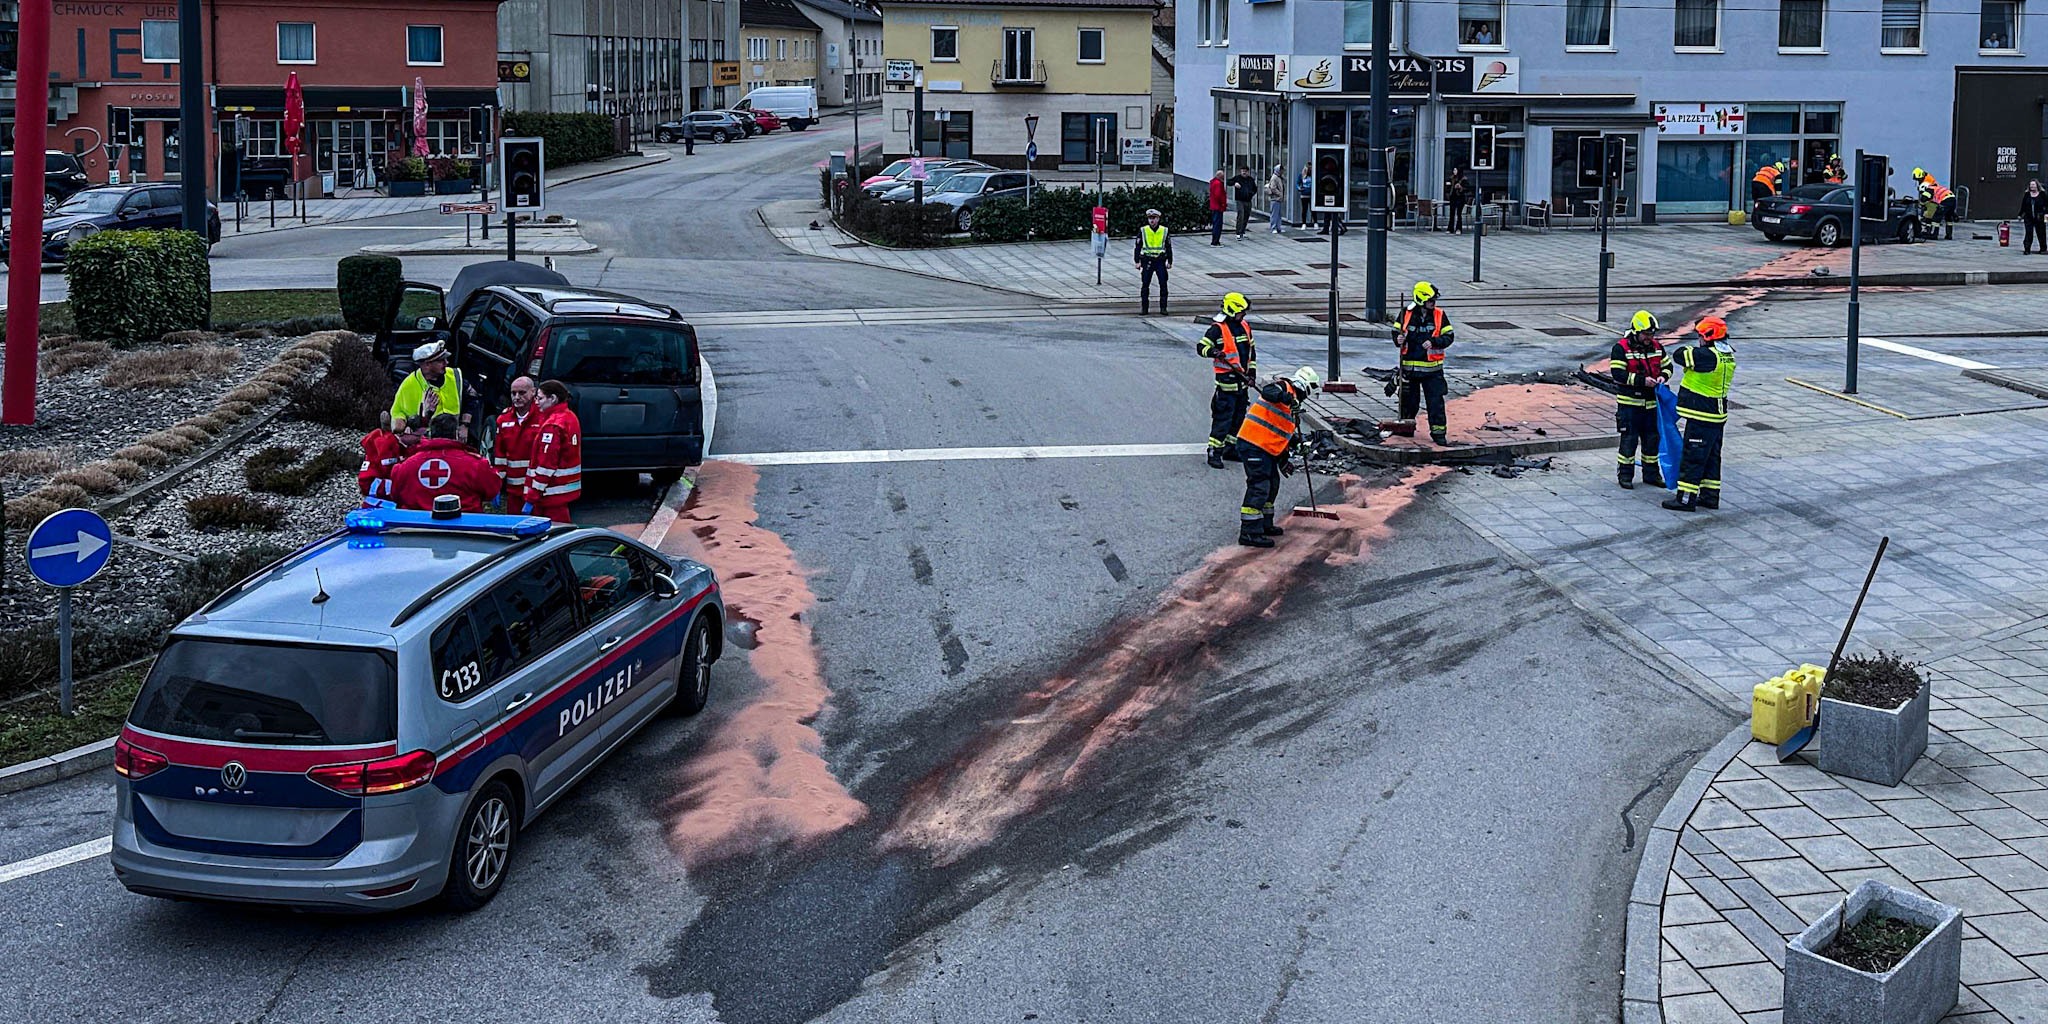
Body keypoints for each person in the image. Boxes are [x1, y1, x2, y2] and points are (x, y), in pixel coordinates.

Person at [1235, 367, 1321, 548]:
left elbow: (1283, 435)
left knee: (1272, 484)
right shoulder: (1283, 387)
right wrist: (1287, 399)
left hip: (1265, 448)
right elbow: (1268, 391)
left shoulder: (1294, 408)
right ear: (1304, 386)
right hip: (1253, 444)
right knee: (1260, 486)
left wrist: (1294, 450)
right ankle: (1249, 532)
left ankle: (1264, 524)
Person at [1662, 317, 1735, 513]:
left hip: (1702, 415)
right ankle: (1710, 496)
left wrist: (1690, 350)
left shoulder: (1707, 356)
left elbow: (1680, 355)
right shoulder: (1726, 354)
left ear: (1708, 336)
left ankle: (1685, 499)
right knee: (1711, 458)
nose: (1699, 339)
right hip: (1716, 415)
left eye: (1700, 335)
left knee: (1692, 458)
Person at [391, 413, 502, 513]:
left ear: (430, 435)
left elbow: (395, 495)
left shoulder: (405, 467)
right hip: (465, 530)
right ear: (456, 435)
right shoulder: (475, 465)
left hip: (414, 530)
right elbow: (492, 490)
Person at [1610, 310, 1671, 491]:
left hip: (1652, 405)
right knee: (1628, 441)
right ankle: (1625, 476)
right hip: (1630, 405)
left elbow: (1667, 366)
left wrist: (1662, 377)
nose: (1649, 338)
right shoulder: (1621, 348)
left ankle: (1651, 475)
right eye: (1645, 334)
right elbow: (1618, 374)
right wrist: (1641, 381)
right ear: (1636, 331)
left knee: (1652, 441)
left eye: (1651, 334)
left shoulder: (1657, 347)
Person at [1198, 292, 1257, 469]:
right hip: (1226, 384)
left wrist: (1252, 373)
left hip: (1242, 382)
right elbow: (1201, 347)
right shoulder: (1218, 329)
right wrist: (1214, 352)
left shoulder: (1244, 326)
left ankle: (1230, 449)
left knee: (1238, 418)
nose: (1244, 315)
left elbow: (1251, 351)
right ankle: (1214, 451)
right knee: (1223, 418)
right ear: (1232, 310)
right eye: (1242, 312)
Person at [1394, 281, 1456, 446]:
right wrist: (1397, 339)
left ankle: (1438, 433)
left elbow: (1449, 336)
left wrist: (1434, 342)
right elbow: (1396, 332)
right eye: (1430, 300)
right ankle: (1407, 428)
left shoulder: (1439, 315)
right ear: (1421, 299)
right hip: (1410, 369)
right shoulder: (1405, 314)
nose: (1433, 303)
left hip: (1432, 371)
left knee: (1435, 403)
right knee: (1409, 402)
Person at [524, 379, 584, 522]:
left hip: (551, 494)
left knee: (554, 536)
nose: (536, 402)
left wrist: (532, 497)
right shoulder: (570, 416)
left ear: (552, 398)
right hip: (563, 491)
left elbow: (546, 465)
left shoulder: (553, 425)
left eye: (540, 398)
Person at [390, 339, 472, 441]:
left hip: (455, 439)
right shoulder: (409, 385)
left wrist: (464, 425)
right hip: (425, 442)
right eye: (441, 360)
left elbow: (471, 399)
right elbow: (398, 419)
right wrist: (423, 416)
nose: (446, 362)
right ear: (427, 364)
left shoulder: (454, 376)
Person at [491, 375, 544, 502]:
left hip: (536, 488)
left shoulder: (543, 417)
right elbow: (500, 455)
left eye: (522, 393)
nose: (516, 397)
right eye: (513, 393)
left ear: (533, 392)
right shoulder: (503, 419)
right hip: (513, 488)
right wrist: (497, 484)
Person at [357, 410, 404, 501]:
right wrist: (399, 487)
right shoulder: (381, 447)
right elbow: (366, 484)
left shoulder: (406, 446)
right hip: (385, 505)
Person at [1134, 208, 1173, 315]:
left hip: (1160, 261)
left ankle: (1163, 308)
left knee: (1163, 284)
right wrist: (1137, 261)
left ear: (1158, 219)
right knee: (1145, 285)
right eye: (1150, 218)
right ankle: (1144, 308)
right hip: (1147, 260)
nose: (1152, 221)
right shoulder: (1143, 230)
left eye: (1154, 218)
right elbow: (1138, 246)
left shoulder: (1164, 230)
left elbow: (1168, 246)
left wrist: (1170, 261)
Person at [1914, 167, 1958, 240]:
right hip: (1952, 198)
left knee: (1936, 217)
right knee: (1949, 218)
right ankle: (1949, 235)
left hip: (1945, 200)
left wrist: (1921, 205)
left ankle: (1934, 235)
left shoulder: (1929, 190)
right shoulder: (1935, 187)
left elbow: (1924, 199)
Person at [1229, 166, 1258, 239]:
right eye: (1242, 171)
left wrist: (1251, 193)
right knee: (1240, 215)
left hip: (1248, 200)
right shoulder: (1238, 178)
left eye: (1245, 171)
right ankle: (1238, 232)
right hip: (1240, 200)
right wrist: (1234, 183)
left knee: (1246, 216)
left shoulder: (1250, 180)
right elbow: (1229, 182)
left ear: (1248, 172)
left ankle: (1243, 231)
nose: (1244, 172)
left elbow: (1255, 189)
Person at [2021, 180, 2047, 255]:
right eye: (2031, 185)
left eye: (2033, 185)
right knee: (2029, 233)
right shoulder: (2027, 194)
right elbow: (2023, 205)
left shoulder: (2042, 194)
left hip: (2039, 217)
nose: (2032, 186)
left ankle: (2043, 249)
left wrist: (2046, 213)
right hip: (2029, 217)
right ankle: (2027, 249)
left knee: (2041, 233)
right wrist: (2020, 214)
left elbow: (2046, 204)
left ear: (2037, 185)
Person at [1446, 166, 1471, 235]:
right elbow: (1447, 187)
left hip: (1460, 198)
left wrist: (1460, 187)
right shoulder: (1451, 178)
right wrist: (1448, 187)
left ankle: (1458, 228)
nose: (1454, 172)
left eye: (1455, 170)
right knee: (1452, 213)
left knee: (1458, 213)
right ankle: (1450, 228)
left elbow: (1467, 189)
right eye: (1453, 170)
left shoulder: (1463, 179)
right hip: (1453, 197)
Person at [1265, 164, 1287, 233]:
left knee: (1279, 214)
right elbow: (1273, 188)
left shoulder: (1279, 177)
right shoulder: (1275, 177)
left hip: (1279, 199)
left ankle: (1278, 227)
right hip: (1275, 198)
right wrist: (1280, 194)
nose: (1282, 171)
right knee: (1274, 214)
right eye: (1281, 170)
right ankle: (1273, 227)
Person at [1208, 170, 1227, 245]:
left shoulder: (1214, 182)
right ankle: (1215, 241)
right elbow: (1218, 196)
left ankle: (1215, 240)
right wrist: (1222, 204)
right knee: (1217, 224)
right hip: (1218, 207)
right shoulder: (1218, 184)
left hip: (1215, 206)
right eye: (1222, 176)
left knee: (1216, 223)